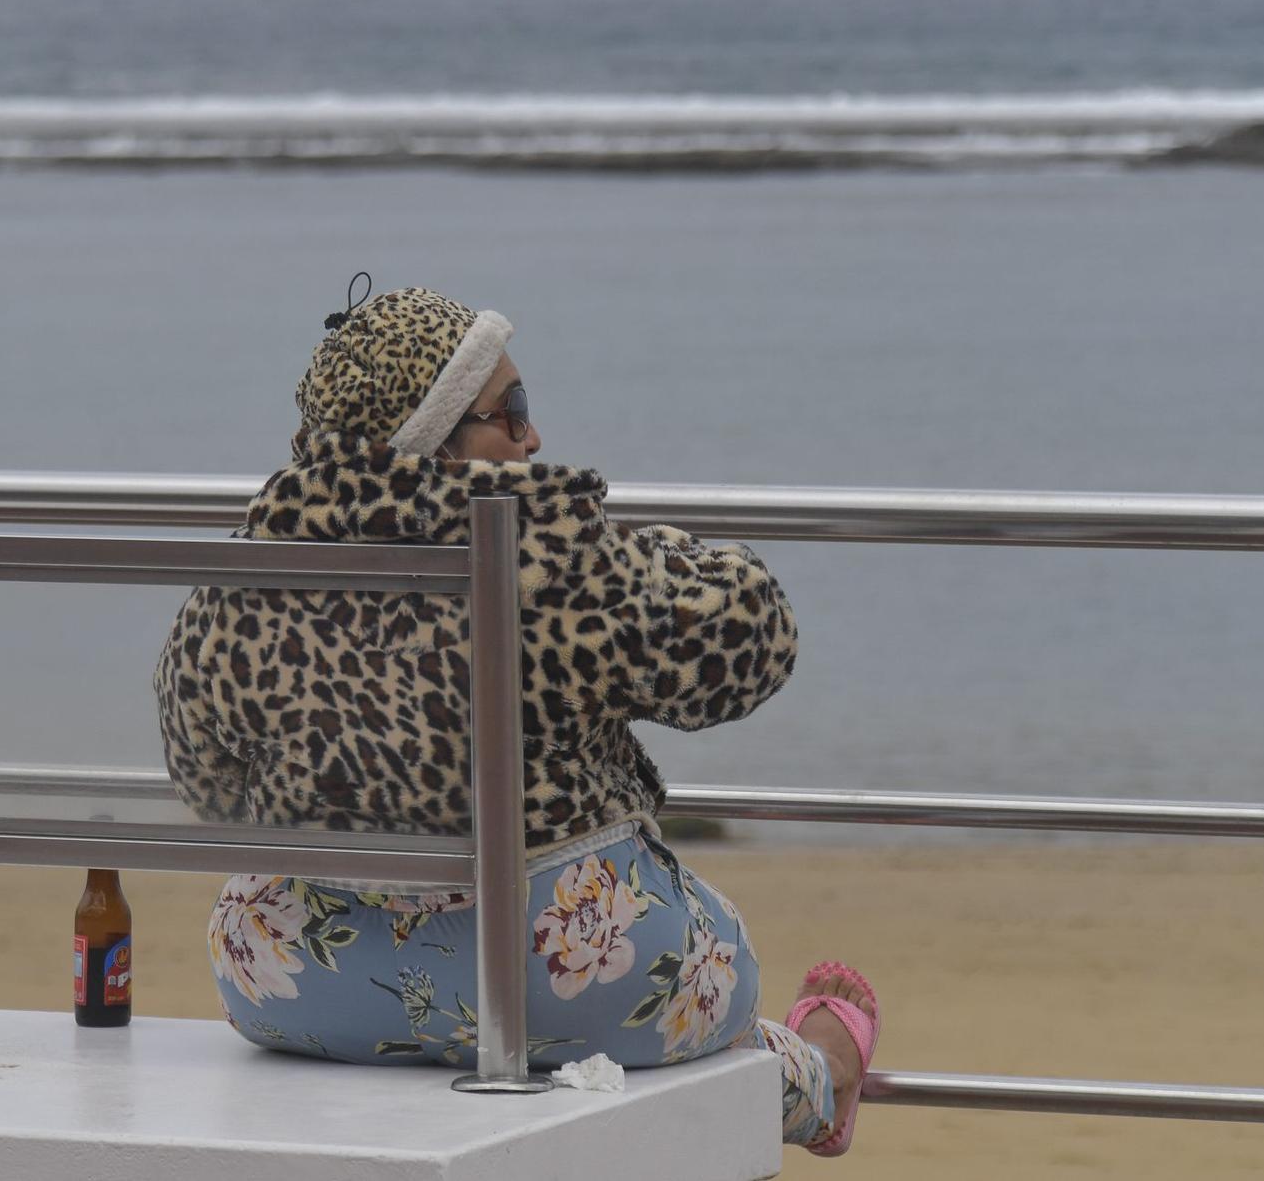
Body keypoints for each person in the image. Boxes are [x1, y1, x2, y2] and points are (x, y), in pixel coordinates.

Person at [154, 283, 882, 1155]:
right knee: (693, 992)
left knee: (423, 994)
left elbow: (205, 782)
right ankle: (821, 1077)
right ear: (436, 440)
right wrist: (650, 550)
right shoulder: (542, 549)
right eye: (512, 411)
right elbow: (750, 645)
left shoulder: (249, 572)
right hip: (560, 972)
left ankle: (431, 1031)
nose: (533, 437)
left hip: (295, 976)